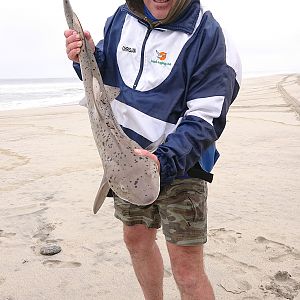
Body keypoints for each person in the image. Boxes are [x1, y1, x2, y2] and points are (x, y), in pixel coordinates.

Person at [65, 0, 241, 299]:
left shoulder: (208, 35)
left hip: (184, 159)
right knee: (136, 241)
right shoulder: (121, 19)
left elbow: (206, 116)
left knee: (186, 269)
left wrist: (164, 161)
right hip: (126, 160)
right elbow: (105, 82)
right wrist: (87, 55)